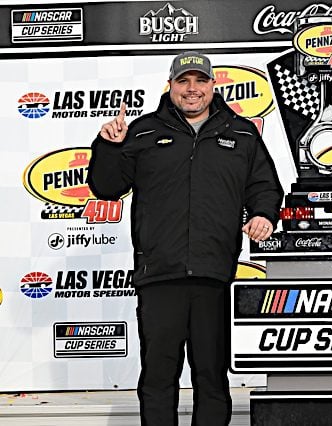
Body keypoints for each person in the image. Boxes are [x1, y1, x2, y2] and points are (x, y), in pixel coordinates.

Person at [88, 51, 283, 426]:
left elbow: (264, 187)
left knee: (211, 378)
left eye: (199, 81)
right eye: (183, 81)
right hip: (159, 274)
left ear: (213, 85)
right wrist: (108, 146)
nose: (191, 90)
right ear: (171, 85)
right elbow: (106, 187)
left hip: (214, 274)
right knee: (158, 380)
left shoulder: (241, 133)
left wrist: (262, 214)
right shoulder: (142, 132)